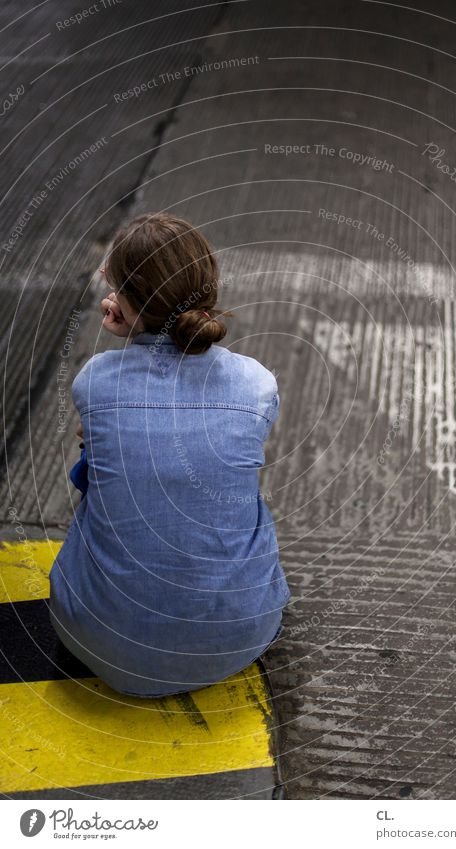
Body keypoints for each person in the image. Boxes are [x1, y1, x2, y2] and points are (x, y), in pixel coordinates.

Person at [49, 212, 291, 697]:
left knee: (97, 472)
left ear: (124, 305)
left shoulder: (95, 381)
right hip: (241, 637)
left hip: (101, 643)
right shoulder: (256, 383)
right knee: (241, 493)